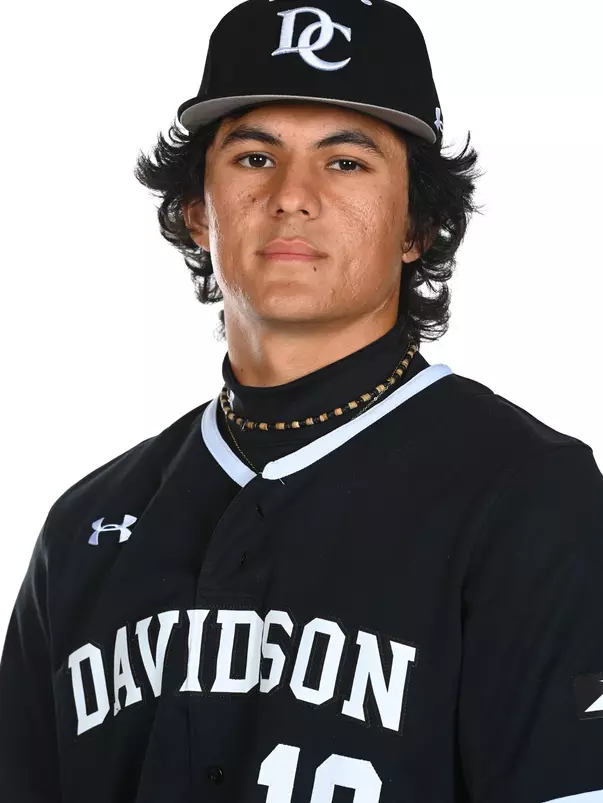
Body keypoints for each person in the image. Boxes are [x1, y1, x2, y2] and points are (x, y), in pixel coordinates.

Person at [1, 1, 602, 801]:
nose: (292, 195)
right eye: (253, 158)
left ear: (417, 224)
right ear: (195, 211)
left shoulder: (527, 493)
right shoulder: (83, 525)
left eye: (345, 162)